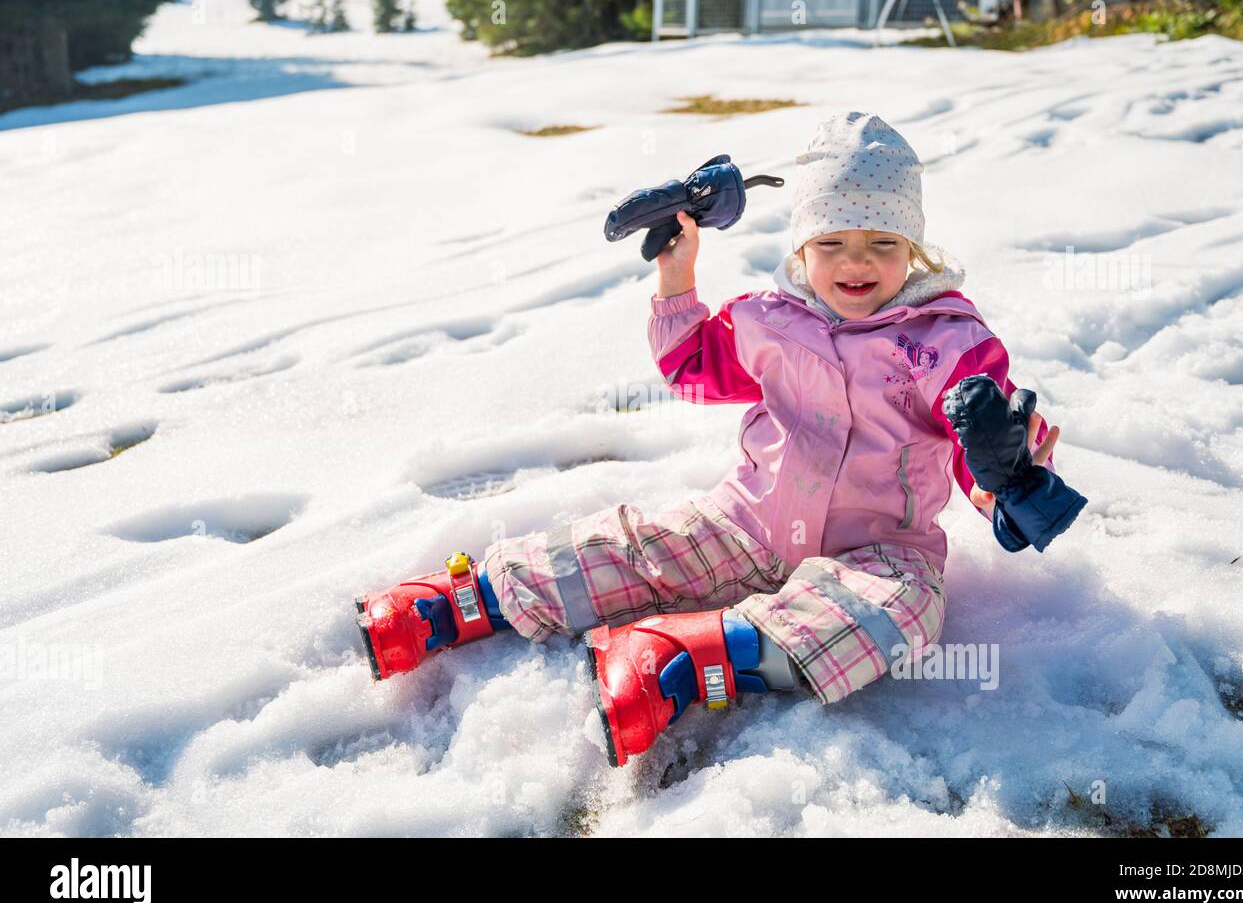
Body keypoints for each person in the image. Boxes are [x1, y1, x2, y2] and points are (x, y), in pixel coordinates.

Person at [355, 112, 1075, 768]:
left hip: (879, 550)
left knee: (908, 612)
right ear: (802, 244)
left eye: (882, 244)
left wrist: (1007, 469)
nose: (856, 264)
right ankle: (463, 599)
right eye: (833, 243)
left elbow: (979, 443)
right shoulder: (772, 318)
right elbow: (695, 367)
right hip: (752, 519)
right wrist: (678, 273)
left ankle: (674, 658)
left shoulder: (944, 342)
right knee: (644, 547)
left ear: (912, 248)